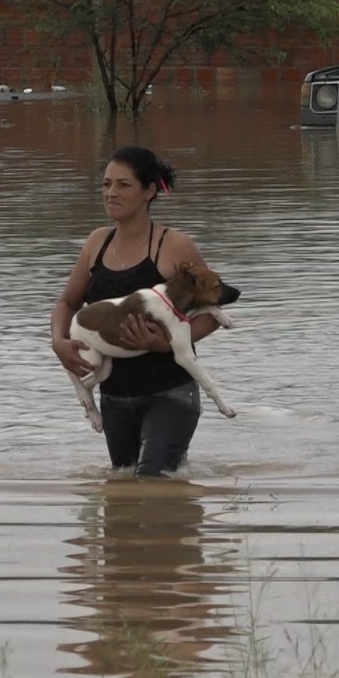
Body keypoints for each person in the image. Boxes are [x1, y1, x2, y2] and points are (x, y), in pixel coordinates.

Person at [51, 146, 226, 476]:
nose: (111, 193)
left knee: (152, 480)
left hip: (170, 392)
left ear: (149, 191)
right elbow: (67, 303)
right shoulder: (95, 244)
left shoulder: (174, 246)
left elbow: (211, 308)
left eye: (123, 185)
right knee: (123, 492)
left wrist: (168, 344)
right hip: (115, 398)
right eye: (106, 185)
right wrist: (58, 342)